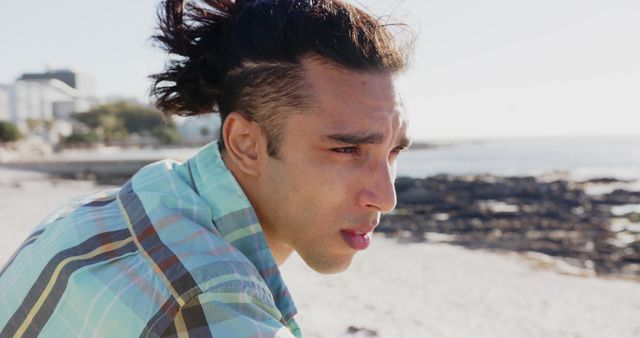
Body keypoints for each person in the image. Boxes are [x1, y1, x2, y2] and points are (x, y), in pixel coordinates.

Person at [0, 0, 412, 336]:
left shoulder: (95, 213)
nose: (386, 198)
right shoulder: (212, 311)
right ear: (245, 144)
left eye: (393, 152)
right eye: (347, 150)